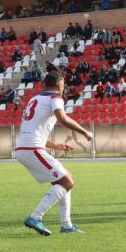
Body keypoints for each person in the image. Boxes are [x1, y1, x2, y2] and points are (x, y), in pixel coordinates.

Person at [15, 72, 93, 236]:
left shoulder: (34, 99)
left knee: (65, 180)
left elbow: (33, 131)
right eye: (63, 85)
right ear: (60, 85)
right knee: (67, 182)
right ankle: (35, 217)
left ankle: (66, 225)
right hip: (32, 149)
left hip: (25, 147)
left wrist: (56, 145)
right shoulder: (55, 98)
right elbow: (63, 118)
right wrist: (85, 132)